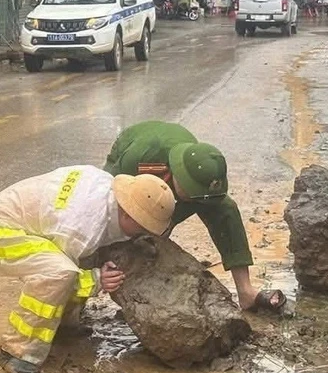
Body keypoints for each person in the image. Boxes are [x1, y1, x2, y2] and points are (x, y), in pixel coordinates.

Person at [0, 165, 176, 373]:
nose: (143, 233)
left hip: (33, 222)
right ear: (128, 214)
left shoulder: (106, 188)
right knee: (58, 274)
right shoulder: (81, 229)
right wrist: (98, 280)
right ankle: (16, 351)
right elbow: (64, 276)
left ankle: (63, 324)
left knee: (77, 261)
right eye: (142, 227)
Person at [104, 121, 287, 313]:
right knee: (125, 225)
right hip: (128, 153)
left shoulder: (199, 167)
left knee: (224, 208)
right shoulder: (142, 158)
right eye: (194, 194)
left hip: (177, 175)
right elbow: (109, 192)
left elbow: (218, 208)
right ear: (177, 178)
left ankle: (246, 291)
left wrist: (167, 224)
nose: (199, 202)